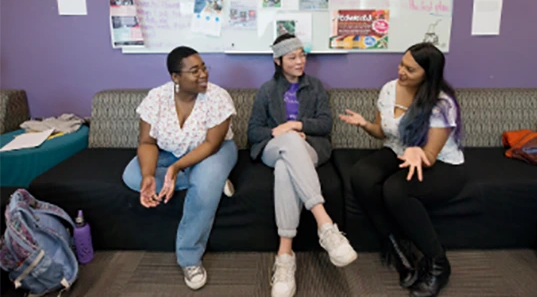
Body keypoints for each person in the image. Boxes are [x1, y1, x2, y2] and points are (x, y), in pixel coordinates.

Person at [339, 42, 465, 297]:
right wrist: (364, 123)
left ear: (427, 74)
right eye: (401, 64)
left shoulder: (441, 103)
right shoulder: (388, 90)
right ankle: (397, 248)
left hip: (440, 162)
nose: (401, 71)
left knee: (395, 190)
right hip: (398, 150)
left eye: (410, 69)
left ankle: (438, 264)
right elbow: (381, 132)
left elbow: (430, 154)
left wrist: (418, 151)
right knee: (362, 175)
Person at [248, 34, 357, 297]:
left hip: (308, 147)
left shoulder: (315, 86)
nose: (300, 61)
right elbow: (253, 131)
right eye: (292, 57)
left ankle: (285, 256)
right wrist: (281, 133)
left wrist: (297, 127)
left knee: (287, 167)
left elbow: (325, 124)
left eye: (302, 55)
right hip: (274, 148)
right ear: (277, 60)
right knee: (288, 146)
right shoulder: (266, 90)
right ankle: (326, 225)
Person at [122, 46, 238, 291]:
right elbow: (146, 142)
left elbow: (211, 144)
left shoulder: (217, 97)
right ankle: (212, 180)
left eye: (204, 67)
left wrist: (175, 169)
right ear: (175, 77)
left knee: (204, 187)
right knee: (132, 175)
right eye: (194, 71)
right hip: (168, 151)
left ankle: (189, 258)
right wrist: (147, 176)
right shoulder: (156, 98)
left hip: (214, 151)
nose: (203, 74)